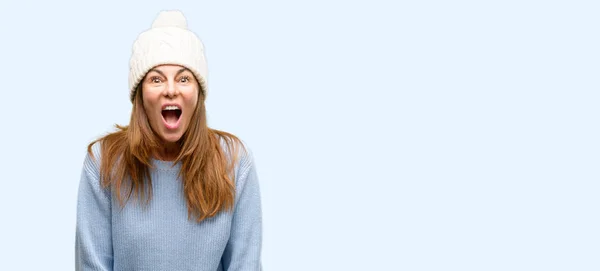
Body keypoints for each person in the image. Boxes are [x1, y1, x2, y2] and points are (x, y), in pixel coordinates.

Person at [75, 10, 263, 271]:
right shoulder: (104, 161)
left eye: (184, 78)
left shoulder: (234, 161)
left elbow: (245, 265)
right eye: (156, 79)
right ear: (140, 95)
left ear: (198, 93)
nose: (171, 90)